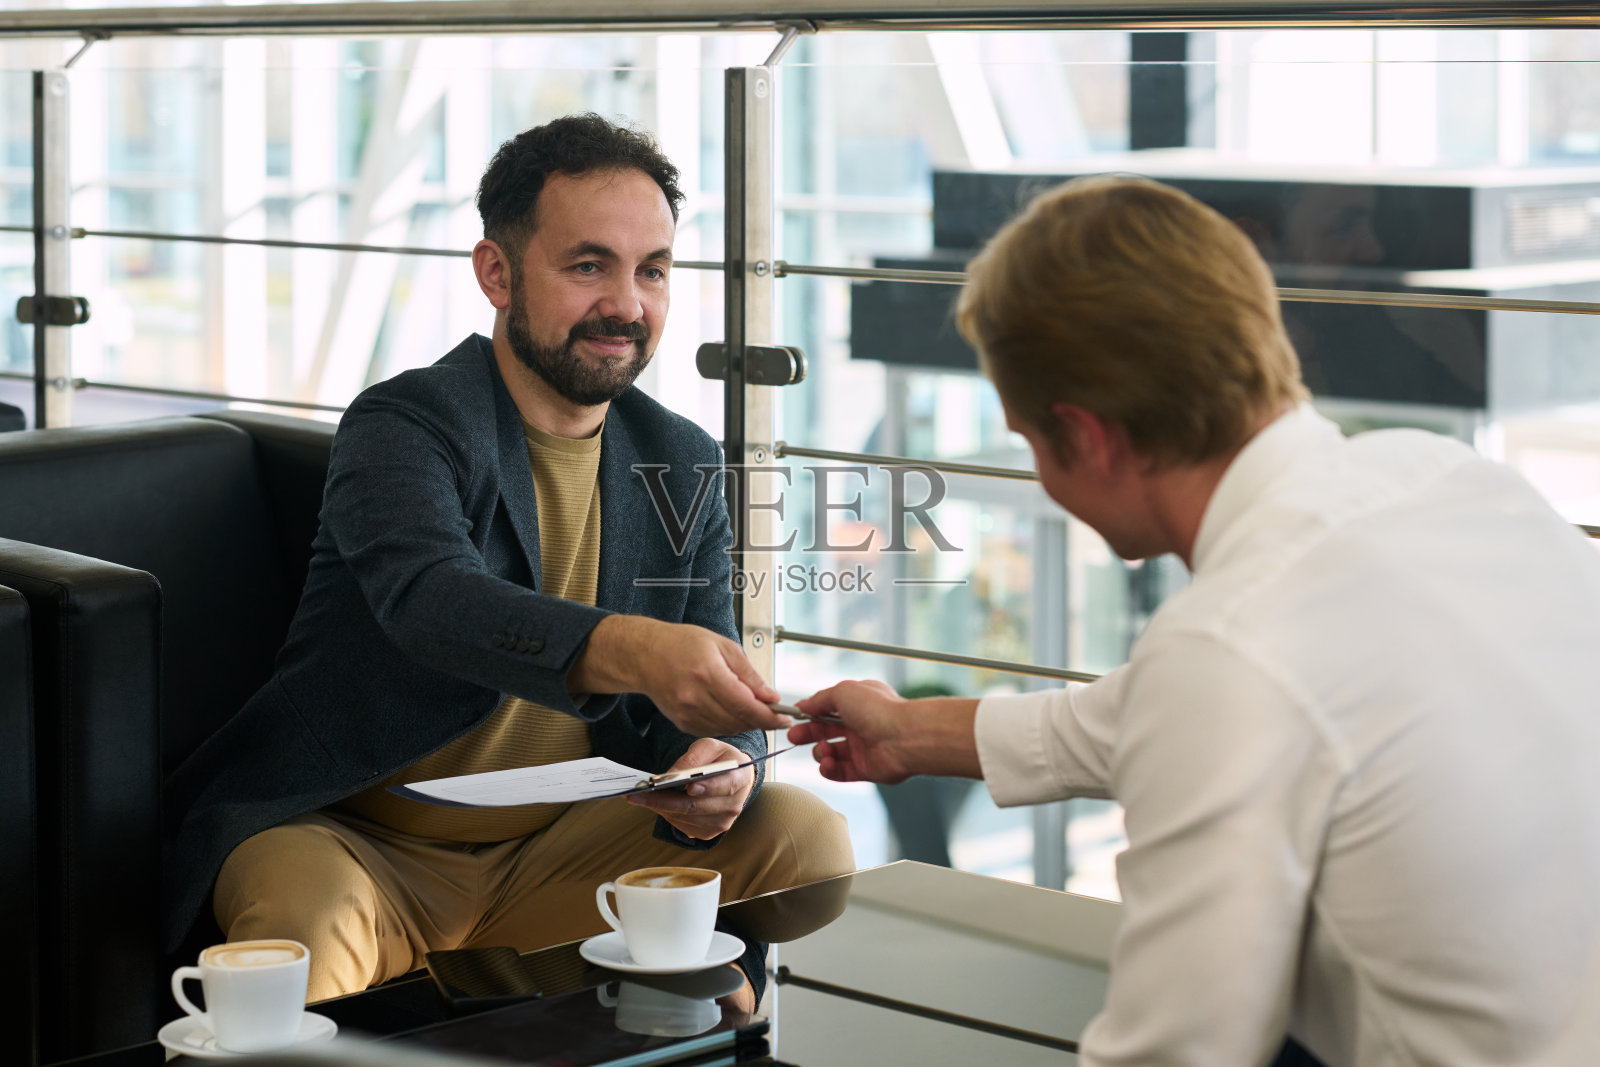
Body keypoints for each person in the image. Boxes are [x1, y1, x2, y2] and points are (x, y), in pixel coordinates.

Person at [789, 175, 1600, 1067]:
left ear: (1089, 437)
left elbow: (1174, 1051)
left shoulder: (1230, 649)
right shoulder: (1451, 480)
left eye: (1027, 442)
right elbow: (1184, 713)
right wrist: (906, 732)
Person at [164, 114, 852, 1001]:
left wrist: (727, 757)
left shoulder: (679, 456)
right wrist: (635, 647)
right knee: (305, 931)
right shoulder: (405, 423)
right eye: (587, 265)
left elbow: (719, 681)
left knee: (809, 841)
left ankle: (568, 972)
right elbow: (431, 599)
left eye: (652, 271)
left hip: (564, 846)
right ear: (496, 273)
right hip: (360, 840)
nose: (627, 306)